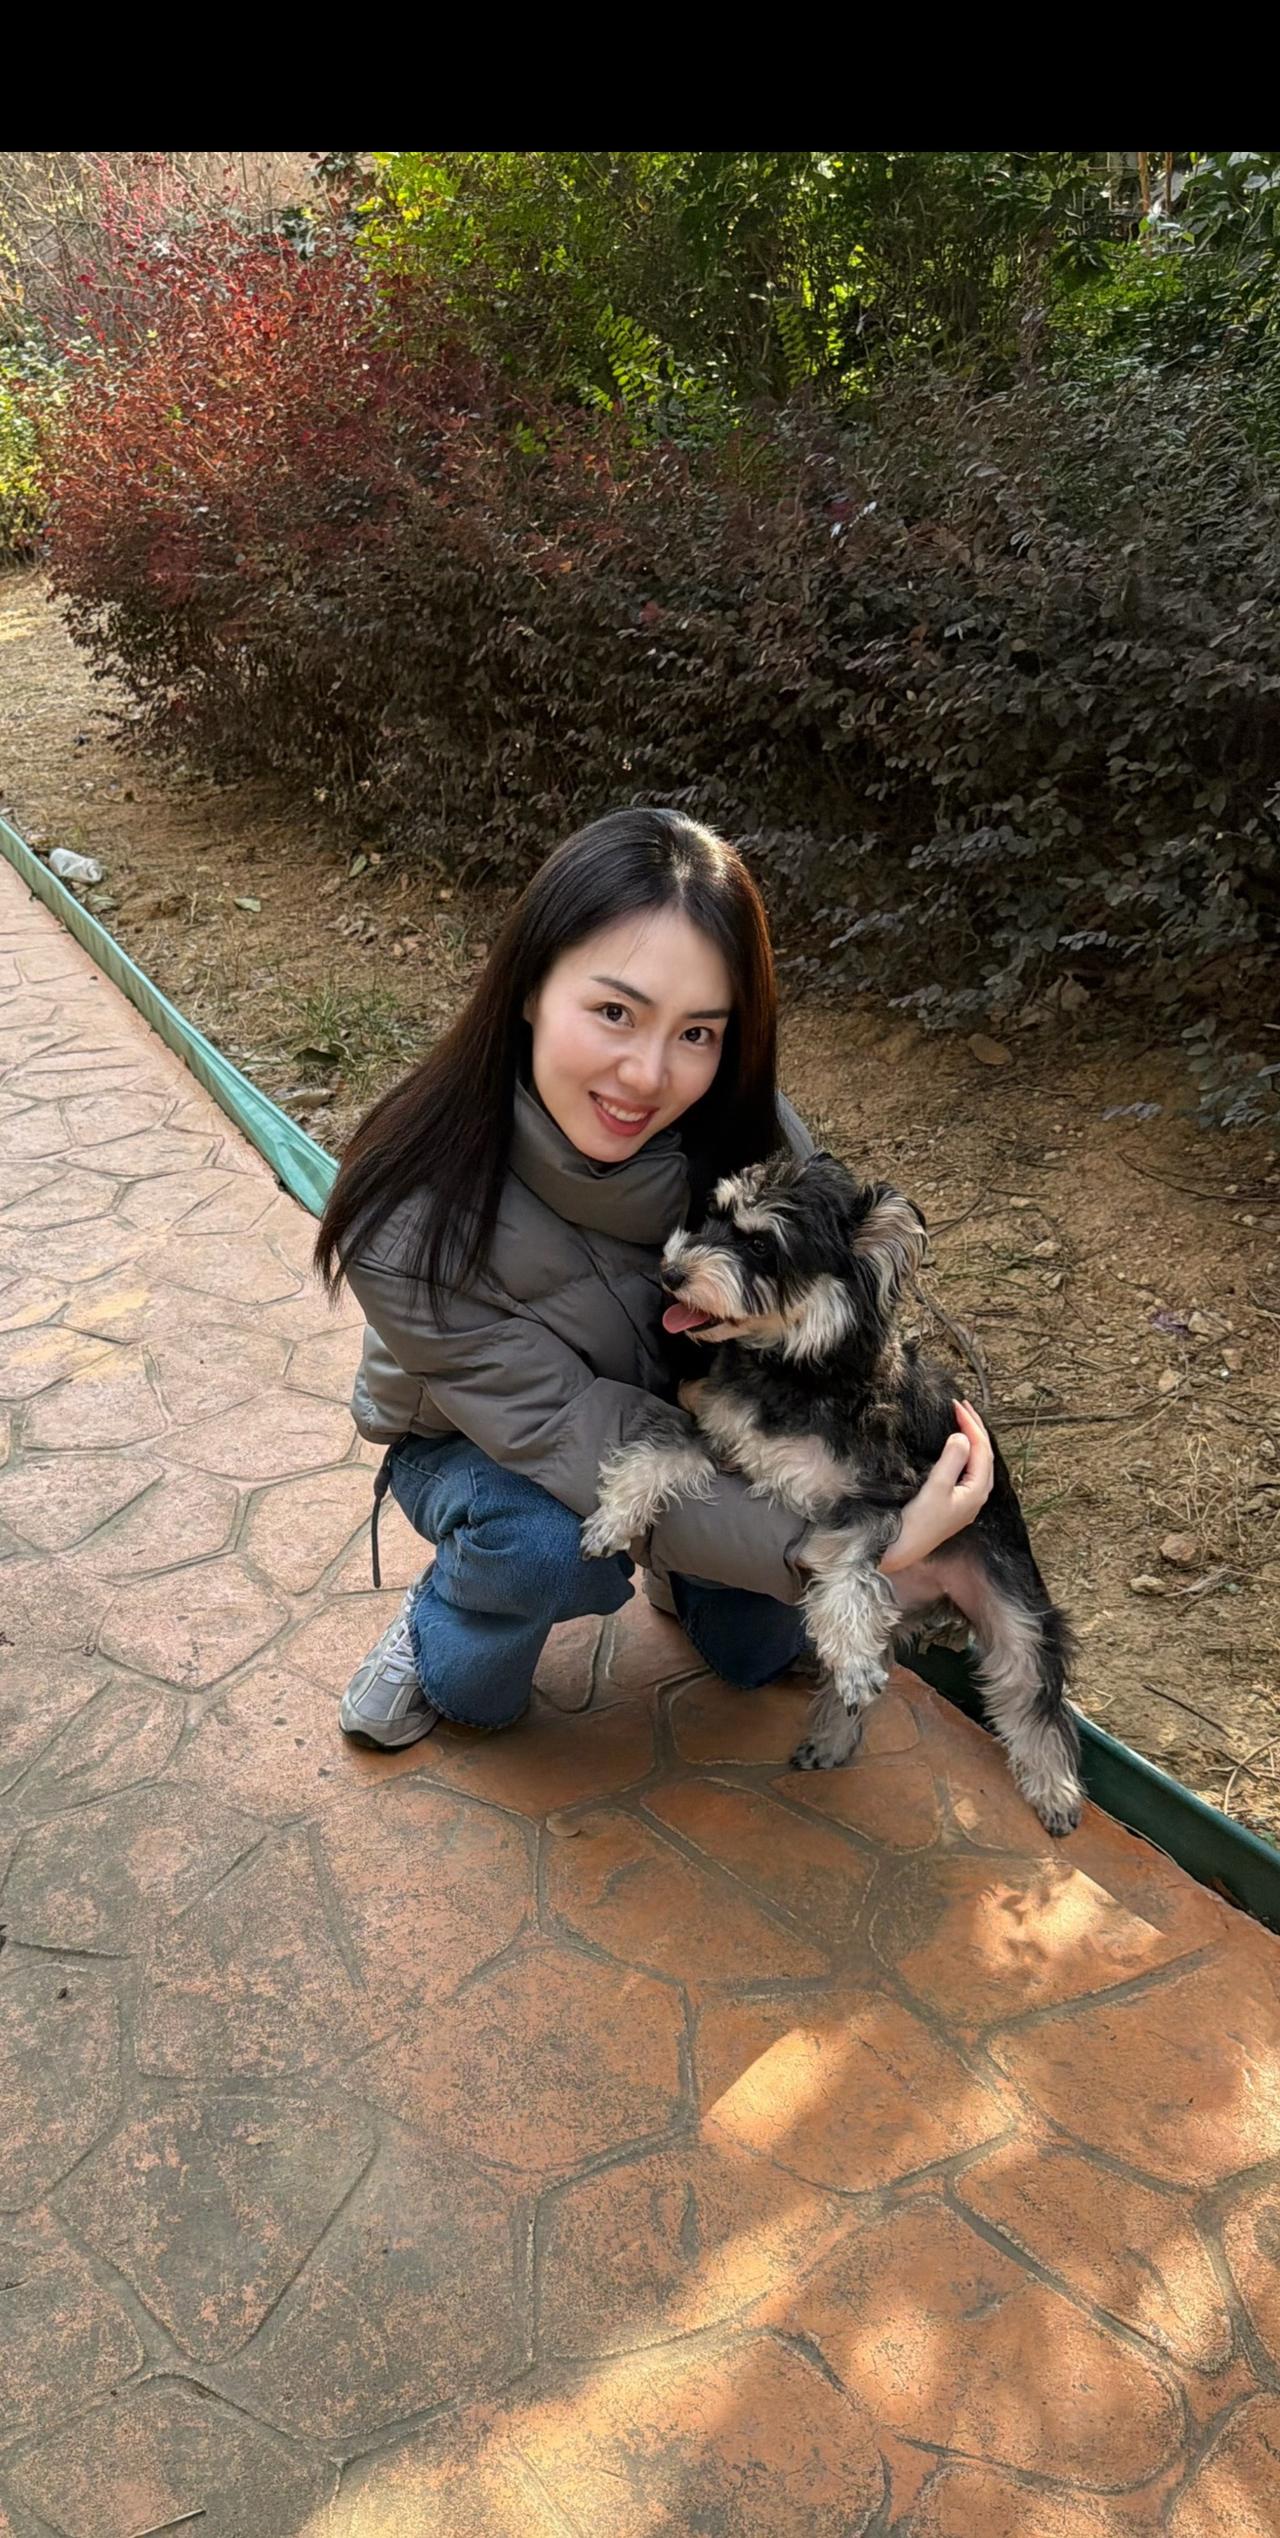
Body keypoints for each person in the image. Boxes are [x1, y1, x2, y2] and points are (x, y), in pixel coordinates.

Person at [314, 808, 993, 1749]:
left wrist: (899, 1464)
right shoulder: (408, 1215)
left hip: (695, 1418)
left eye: (698, 1032)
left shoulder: (750, 1136)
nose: (646, 1076)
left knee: (757, 1652)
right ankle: (446, 1613)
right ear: (529, 986)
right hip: (489, 1445)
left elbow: (822, 1325)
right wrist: (841, 1548)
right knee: (541, 1559)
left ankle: (695, 1572)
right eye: (614, 1012)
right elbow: (564, 1428)